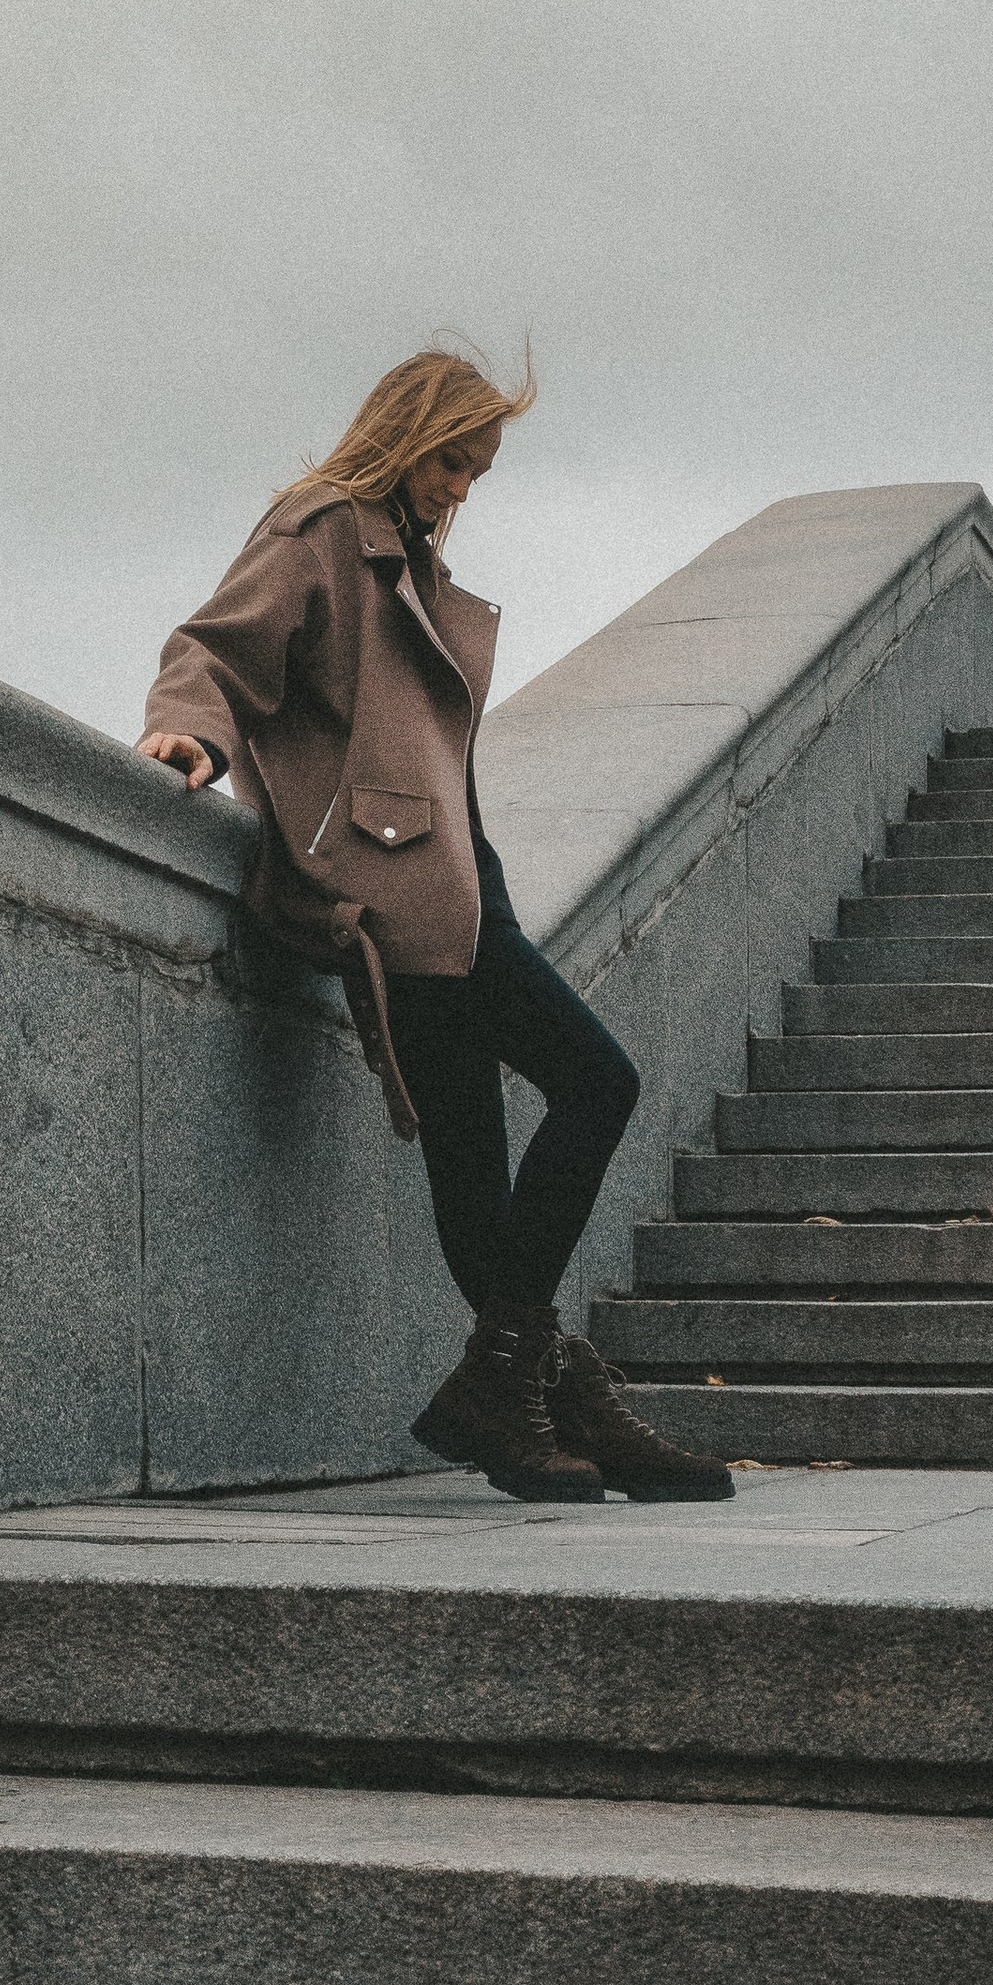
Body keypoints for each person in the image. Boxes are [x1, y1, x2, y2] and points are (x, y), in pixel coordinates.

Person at [137, 343, 730, 1508]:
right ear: (410, 436)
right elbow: (215, 647)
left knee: (475, 1160)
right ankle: (526, 1381)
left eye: (479, 468)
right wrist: (188, 731)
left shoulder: (401, 556)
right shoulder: (321, 527)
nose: (465, 486)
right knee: (595, 1081)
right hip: (396, 885)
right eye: (457, 460)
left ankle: (539, 1388)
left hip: (461, 874)